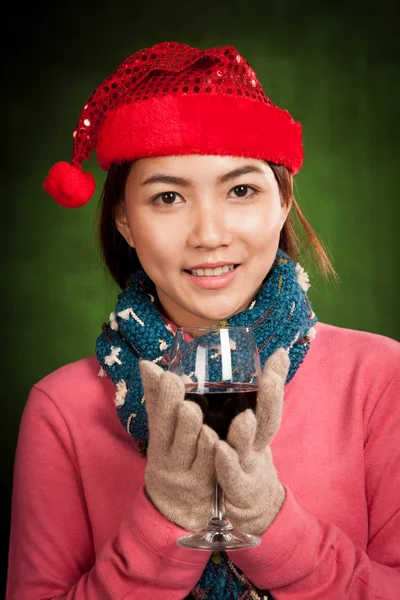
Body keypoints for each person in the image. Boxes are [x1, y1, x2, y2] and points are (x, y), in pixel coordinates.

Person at [6, 41, 400, 600]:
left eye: (241, 190)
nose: (209, 234)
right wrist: (162, 523)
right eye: (168, 197)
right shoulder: (61, 410)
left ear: (283, 203)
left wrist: (273, 526)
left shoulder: (380, 378)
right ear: (123, 219)